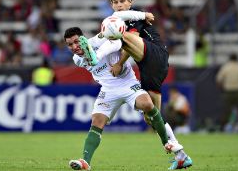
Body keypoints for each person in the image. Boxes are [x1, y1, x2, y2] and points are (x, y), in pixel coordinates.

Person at [63, 27, 183, 170]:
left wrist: (119, 63)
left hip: (127, 83)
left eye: (77, 42)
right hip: (108, 90)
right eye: (70, 44)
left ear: (83, 39)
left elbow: (119, 43)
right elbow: (92, 59)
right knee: (96, 121)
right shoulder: (77, 59)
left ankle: (166, 143)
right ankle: (85, 161)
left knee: (147, 105)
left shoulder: (99, 41)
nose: (74, 47)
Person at [107, 0, 192, 169]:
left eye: (123, 1)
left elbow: (130, 39)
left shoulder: (133, 17)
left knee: (120, 34)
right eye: (116, 2)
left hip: (155, 54)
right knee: (153, 117)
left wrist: (119, 63)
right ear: (112, 5)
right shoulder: (121, 21)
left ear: (130, 3)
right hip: (148, 67)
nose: (120, 5)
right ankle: (181, 155)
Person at [216, 53, 238, 131]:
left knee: (226, 110)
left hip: (228, 91)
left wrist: (222, 89)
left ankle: (223, 127)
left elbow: (219, 80)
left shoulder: (226, 67)